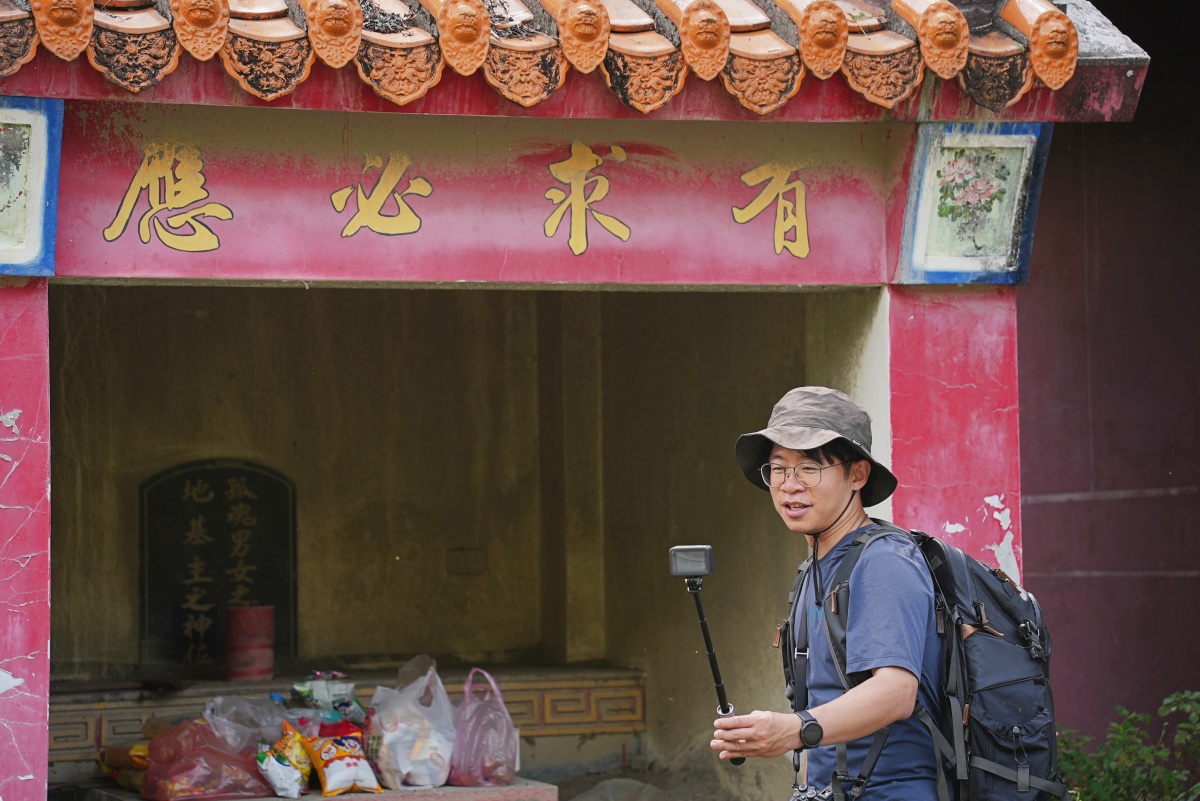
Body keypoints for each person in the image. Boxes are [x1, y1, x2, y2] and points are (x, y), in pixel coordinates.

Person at [710, 386, 942, 800]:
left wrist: (792, 730)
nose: (789, 486)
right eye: (778, 469)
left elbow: (895, 693)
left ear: (857, 474)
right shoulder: (815, 569)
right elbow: (823, 697)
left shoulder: (884, 561)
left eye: (809, 468)